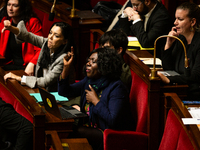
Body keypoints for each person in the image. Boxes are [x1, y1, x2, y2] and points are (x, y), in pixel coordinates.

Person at [58, 48, 135, 150]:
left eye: (93, 62)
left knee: (69, 131)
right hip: (90, 127)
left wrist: (96, 101)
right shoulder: (89, 81)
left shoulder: (117, 88)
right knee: (61, 125)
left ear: (105, 65)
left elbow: (113, 121)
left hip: (109, 134)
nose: (88, 64)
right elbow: (65, 92)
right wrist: (66, 68)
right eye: (88, 60)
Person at [3, 20, 75, 92]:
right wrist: (11, 28)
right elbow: (30, 37)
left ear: (65, 41)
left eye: (56, 36)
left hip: (57, 96)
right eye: (50, 33)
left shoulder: (64, 59)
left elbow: (45, 81)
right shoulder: (47, 43)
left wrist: (18, 78)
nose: (50, 37)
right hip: (43, 91)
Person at [157, 2, 200, 100]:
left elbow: (195, 76)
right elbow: (169, 69)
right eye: (176, 18)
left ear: (192, 22)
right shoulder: (181, 40)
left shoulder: (198, 42)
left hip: (194, 95)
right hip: (181, 90)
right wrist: (168, 44)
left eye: (180, 19)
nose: (175, 22)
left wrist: (169, 79)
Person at [0, 0, 42, 76]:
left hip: (26, 67)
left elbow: (41, 48)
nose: (10, 8)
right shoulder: (5, 21)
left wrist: (32, 63)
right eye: (8, 5)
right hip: (10, 64)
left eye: (15, 5)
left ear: (22, 8)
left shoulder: (33, 23)